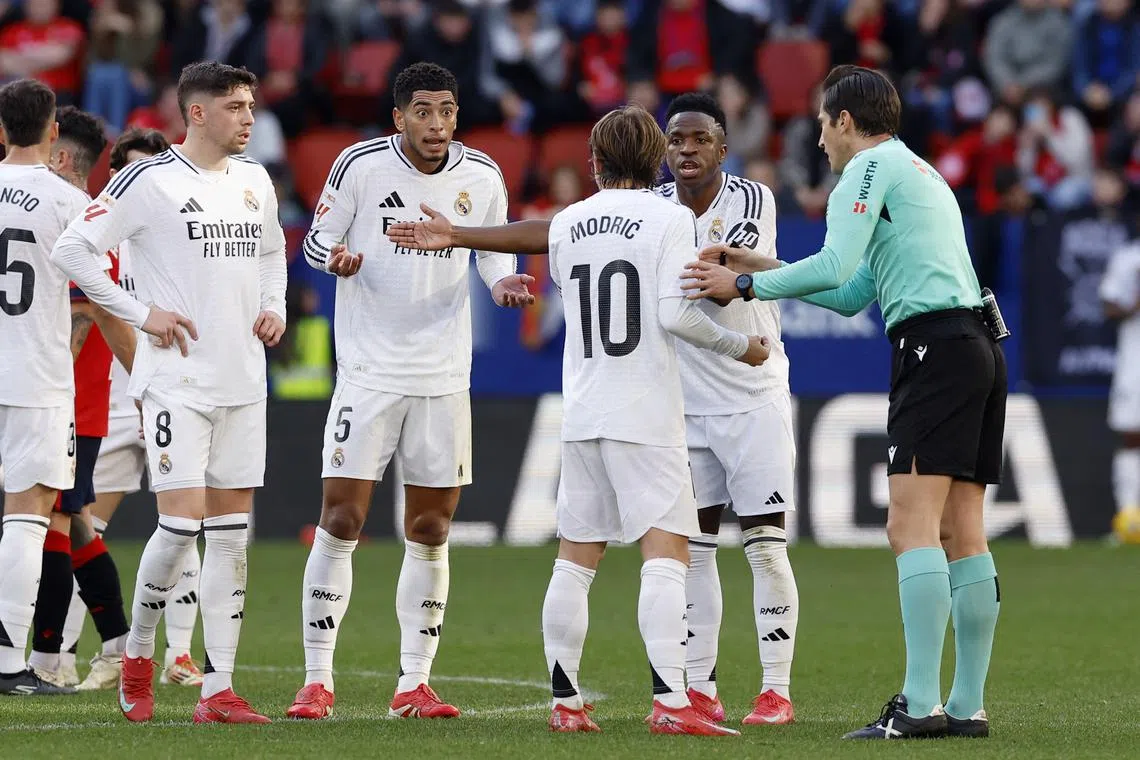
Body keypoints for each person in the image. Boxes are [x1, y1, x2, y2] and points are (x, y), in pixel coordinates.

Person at [388, 91, 803, 727]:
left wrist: (457, 236)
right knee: (669, 554)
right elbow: (674, 312)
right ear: (656, 159)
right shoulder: (668, 221)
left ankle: (565, 702)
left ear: (594, 160)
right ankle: (673, 700)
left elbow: (536, 235)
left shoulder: (574, 219)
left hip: (581, 412)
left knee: (575, 561)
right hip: (650, 413)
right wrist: (739, 344)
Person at [681, 65, 1006, 740]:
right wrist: (753, 268)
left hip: (933, 350)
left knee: (909, 531)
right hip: (976, 344)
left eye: (823, 124)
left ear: (846, 122)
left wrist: (740, 292)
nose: (819, 139)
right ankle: (967, 706)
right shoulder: (917, 170)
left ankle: (919, 706)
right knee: (961, 533)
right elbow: (855, 292)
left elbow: (831, 268)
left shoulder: (867, 167)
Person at [286, 61, 534, 722]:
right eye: (423, 111)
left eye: (446, 111)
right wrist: (333, 259)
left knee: (430, 527)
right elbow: (315, 243)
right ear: (399, 117)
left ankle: (413, 685)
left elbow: (493, 252)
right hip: (367, 372)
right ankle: (317, 681)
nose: (436, 124)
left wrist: (502, 283)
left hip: (442, 375)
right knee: (341, 520)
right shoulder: (360, 166)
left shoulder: (481, 175)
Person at [51, 61, 287, 725]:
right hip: (177, 380)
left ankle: (219, 690)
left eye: (251, 104)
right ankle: (138, 655)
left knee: (232, 537)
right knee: (182, 525)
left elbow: (272, 254)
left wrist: (275, 308)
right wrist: (139, 311)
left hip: (242, 378)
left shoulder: (255, 180)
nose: (249, 118)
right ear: (199, 113)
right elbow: (73, 250)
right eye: (236, 106)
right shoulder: (147, 181)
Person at [659, 92, 799, 726]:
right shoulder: (651, 207)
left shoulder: (752, 199)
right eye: (676, 140)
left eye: (698, 139)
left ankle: (775, 691)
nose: (686, 150)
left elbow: (713, 286)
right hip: (684, 403)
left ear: (721, 147)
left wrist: (689, 275)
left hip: (752, 394)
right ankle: (700, 686)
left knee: (766, 545)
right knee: (696, 548)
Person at [57, 127, 206, 691]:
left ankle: (180, 655)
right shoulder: (100, 238)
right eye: (130, 169)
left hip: (181, 387)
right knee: (84, 524)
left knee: (184, 522)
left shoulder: (187, 234)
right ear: (115, 175)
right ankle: (79, 652)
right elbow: (86, 313)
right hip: (116, 401)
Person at [29, 106, 137, 691]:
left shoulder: (79, 220)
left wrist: (40, 383)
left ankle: (48, 656)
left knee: (53, 518)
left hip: (65, 398)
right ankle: (116, 645)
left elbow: (81, 317)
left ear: (61, 158)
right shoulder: (97, 218)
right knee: (72, 524)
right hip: (78, 399)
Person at [0, 78, 89, 696]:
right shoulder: (67, 201)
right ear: (54, 131)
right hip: (36, 374)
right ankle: (8, 666)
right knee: (28, 518)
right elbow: (101, 289)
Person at [1100, 242, 1140, 521]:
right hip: (1135, 359)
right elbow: (1110, 308)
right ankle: (1128, 516)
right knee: (1131, 436)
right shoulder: (1127, 257)